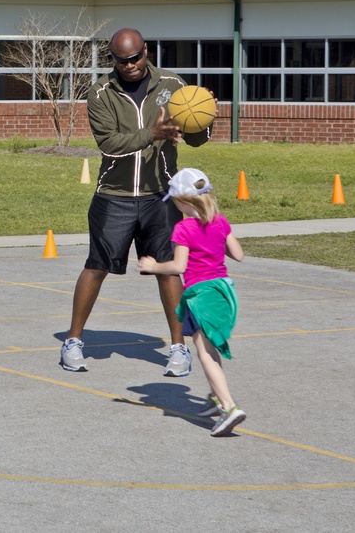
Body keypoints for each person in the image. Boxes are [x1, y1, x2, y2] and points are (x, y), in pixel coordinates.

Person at [59, 27, 210, 376]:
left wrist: (201, 117)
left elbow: (198, 140)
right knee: (96, 266)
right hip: (115, 194)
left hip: (162, 195)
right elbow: (110, 143)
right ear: (112, 59)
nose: (130, 65)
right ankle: (73, 341)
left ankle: (178, 348)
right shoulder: (100, 92)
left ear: (147, 51)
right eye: (121, 60)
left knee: (169, 269)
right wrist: (151, 134)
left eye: (135, 57)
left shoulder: (174, 85)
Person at [137, 168, 247, 436]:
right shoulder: (220, 221)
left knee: (205, 353)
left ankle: (229, 407)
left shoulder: (184, 227)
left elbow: (178, 265)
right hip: (224, 290)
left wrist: (153, 266)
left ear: (184, 202)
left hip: (201, 295)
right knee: (210, 347)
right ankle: (215, 397)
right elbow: (238, 254)